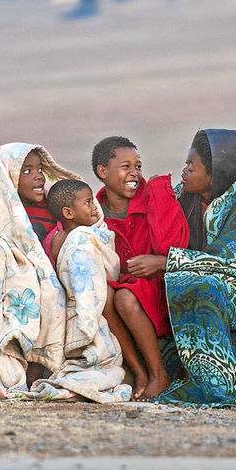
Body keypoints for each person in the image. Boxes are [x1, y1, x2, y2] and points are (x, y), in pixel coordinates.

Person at [158, 129, 236, 411]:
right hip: (195, 281)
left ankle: (221, 386)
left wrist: (165, 262)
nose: (183, 171)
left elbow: (224, 258)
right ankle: (176, 376)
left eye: (191, 166)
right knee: (180, 285)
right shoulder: (182, 196)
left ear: (214, 175)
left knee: (201, 285)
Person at [0, 143, 81, 393]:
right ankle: (20, 374)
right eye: (27, 171)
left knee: (51, 294)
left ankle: (38, 373)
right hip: (19, 284)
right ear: (6, 176)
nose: (38, 176)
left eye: (40, 169)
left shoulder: (55, 208)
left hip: (56, 281)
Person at [90, 136, 189, 400]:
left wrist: (159, 192)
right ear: (103, 172)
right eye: (126, 166)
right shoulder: (94, 214)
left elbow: (173, 245)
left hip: (160, 291)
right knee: (107, 294)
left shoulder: (152, 197)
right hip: (123, 293)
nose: (135, 173)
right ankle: (138, 372)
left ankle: (159, 374)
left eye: (138, 166)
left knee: (123, 295)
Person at [16, 179, 130, 403]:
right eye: (88, 202)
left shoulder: (94, 233)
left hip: (106, 297)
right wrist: (58, 256)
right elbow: (57, 281)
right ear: (68, 212)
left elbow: (109, 264)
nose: (94, 207)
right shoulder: (57, 241)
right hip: (76, 308)